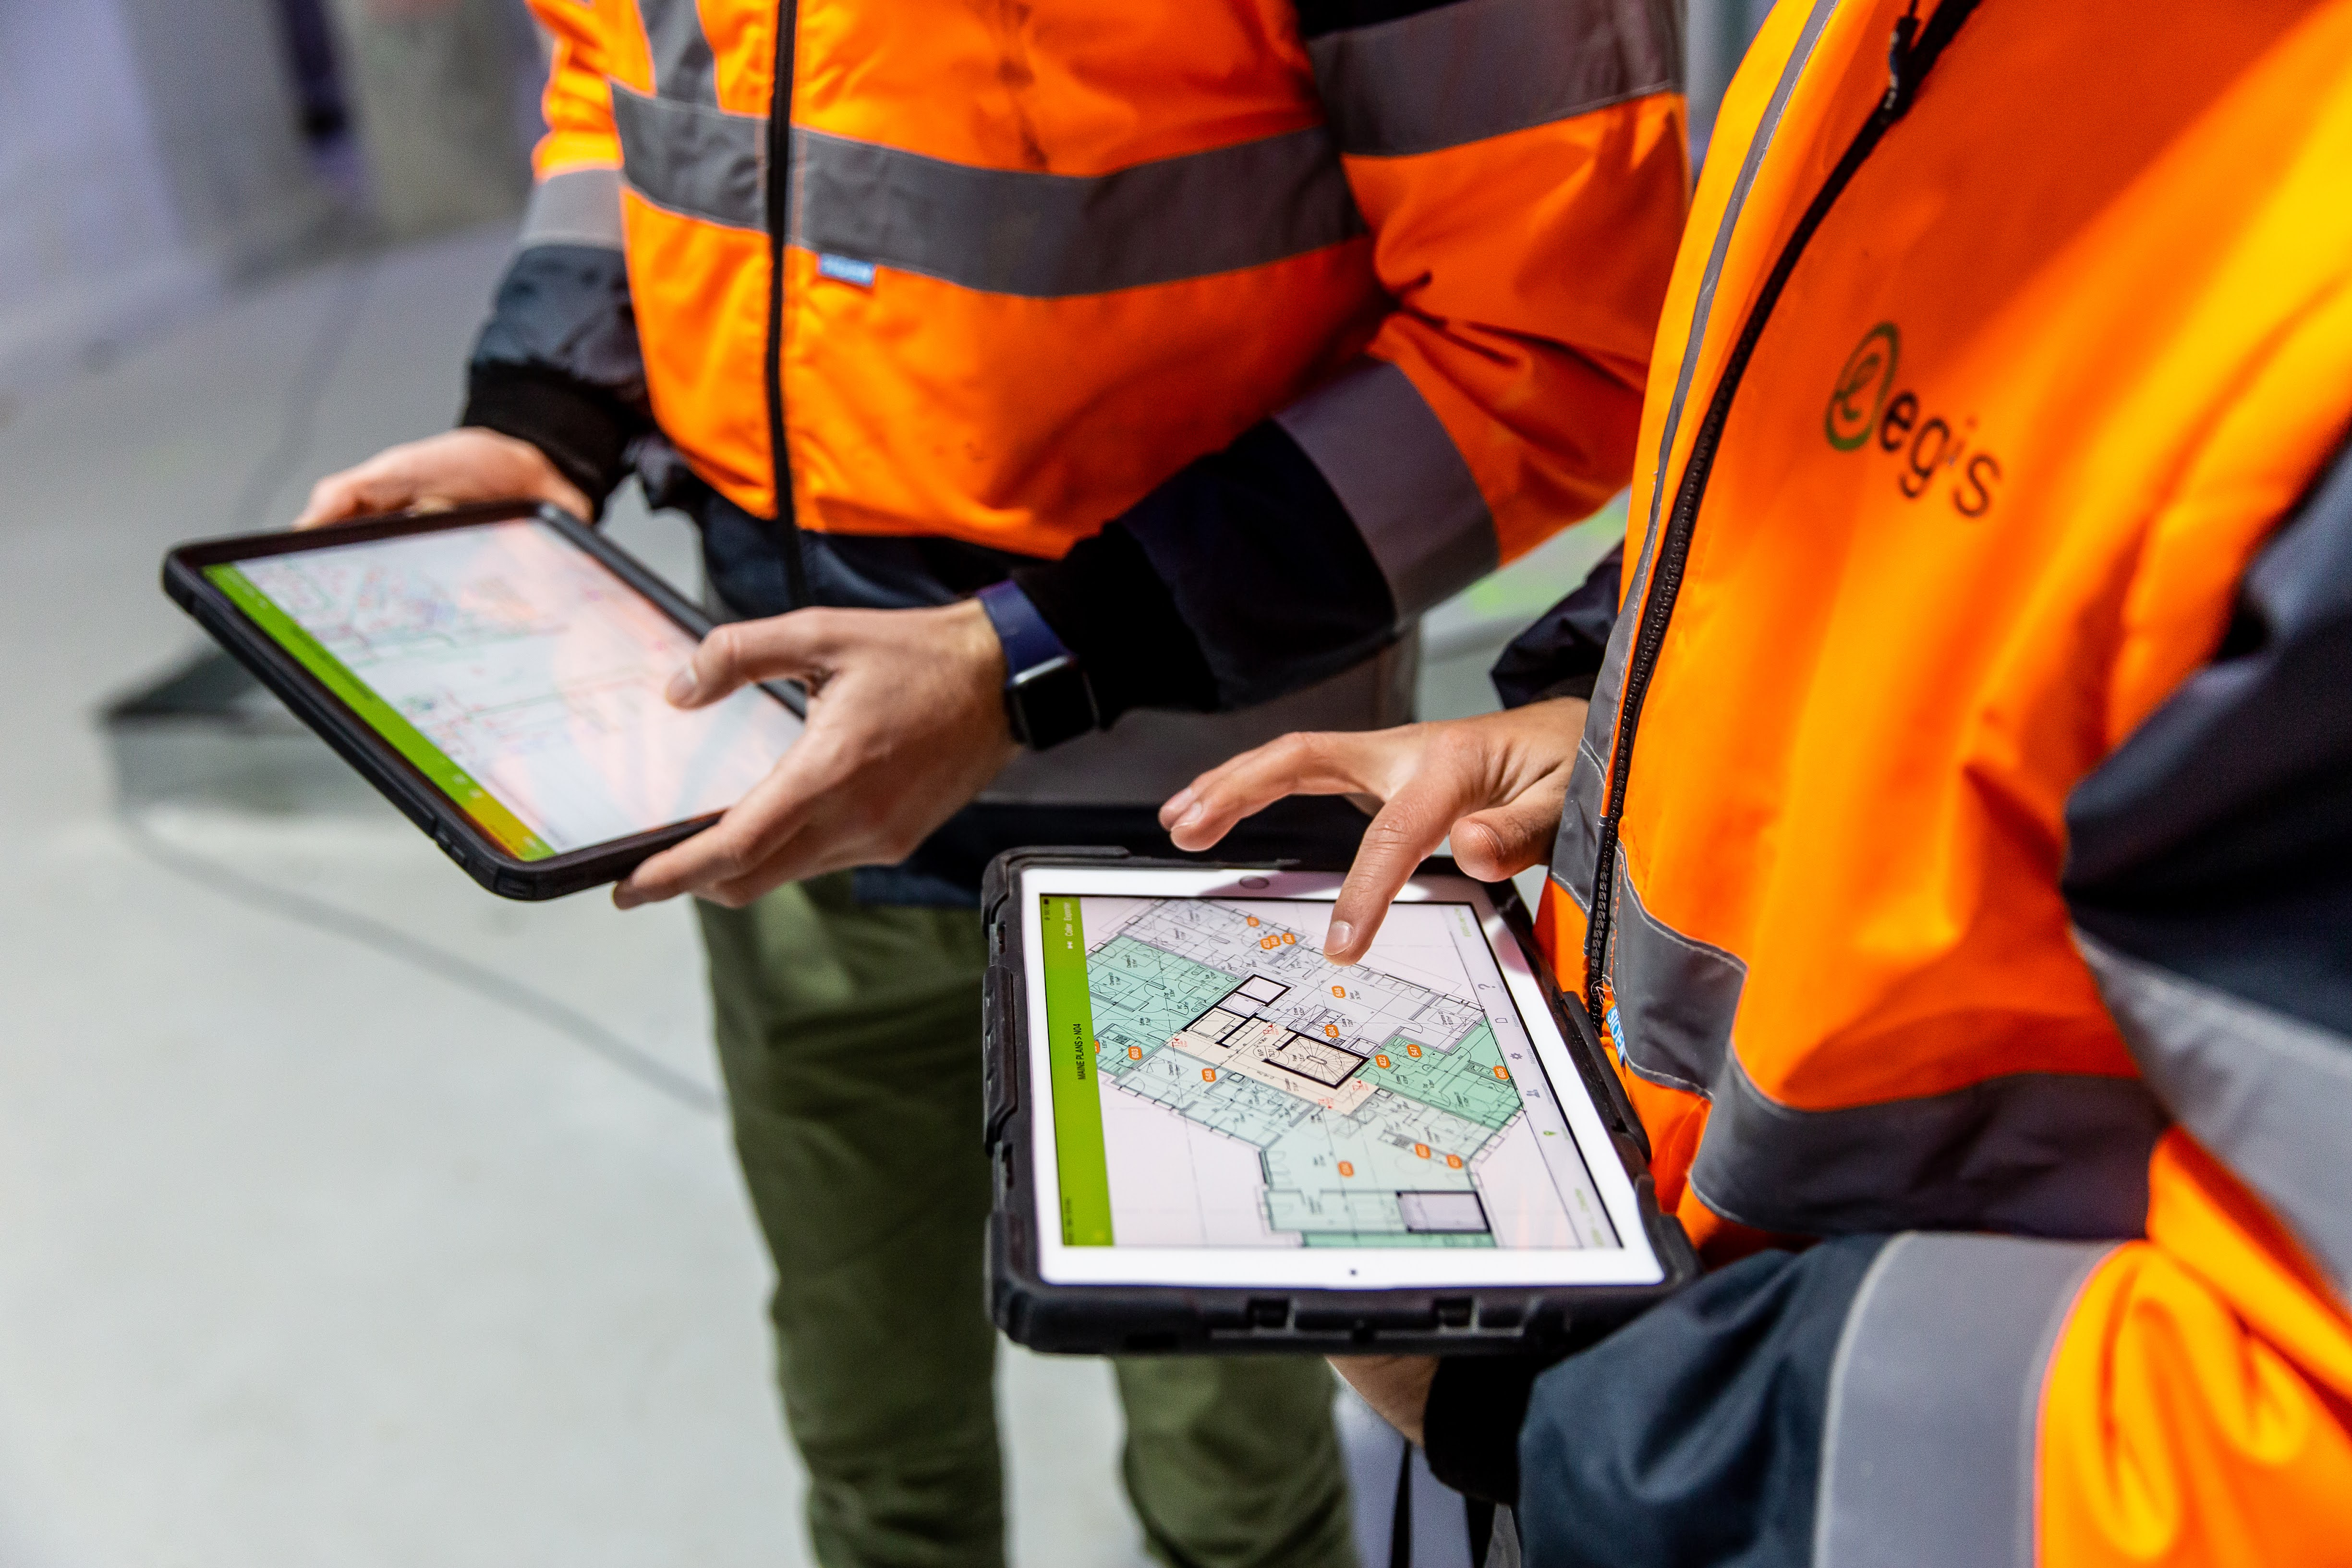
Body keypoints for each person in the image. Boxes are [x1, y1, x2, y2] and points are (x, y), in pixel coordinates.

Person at [295, 1, 1691, 1563]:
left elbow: (1553, 341)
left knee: (1233, 1493)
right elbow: (625, 95)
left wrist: (1035, 654)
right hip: (790, 798)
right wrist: (546, 410)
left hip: (1204, 845)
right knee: (872, 1443)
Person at [1162, 0, 2352, 1562]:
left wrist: (1565, 1402)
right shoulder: (1875, 26)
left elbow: (2289, 1446)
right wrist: (1612, 701)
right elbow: (1821, 484)